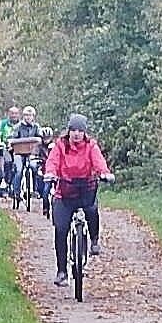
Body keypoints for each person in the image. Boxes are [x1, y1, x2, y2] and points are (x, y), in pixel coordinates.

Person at [43, 113, 112, 286]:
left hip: (85, 189)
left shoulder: (91, 146)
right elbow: (52, 161)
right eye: (73, 130)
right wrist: (50, 173)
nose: (76, 134)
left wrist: (104, 173)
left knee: (91, 210)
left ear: (84, 132)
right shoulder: (60, 145)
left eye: (80, 130)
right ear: (68, 130)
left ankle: (94, 240)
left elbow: (98, 161)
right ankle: (61, 271)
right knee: (60, 229)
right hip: (65, 192)